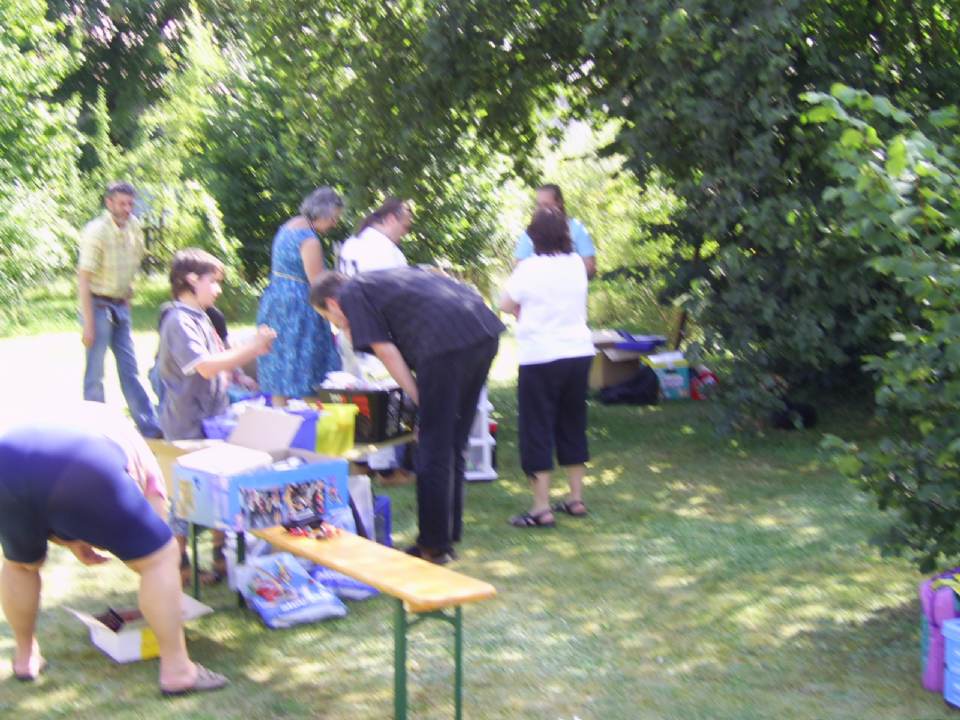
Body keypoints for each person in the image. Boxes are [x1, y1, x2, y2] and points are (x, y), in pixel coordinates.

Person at [0, 402, 228, 695]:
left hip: (6, 458)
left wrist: (74, 540)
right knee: (161, 558)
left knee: (21, 565)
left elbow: (43, 496)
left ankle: (25, 658)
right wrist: (154, 574)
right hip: (83, 459)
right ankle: (178, 669)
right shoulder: (140, 451)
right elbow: (155, 540)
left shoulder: (66, 416)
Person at [310, 267, 505, 564]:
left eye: (328, 318)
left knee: (432, 447)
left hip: (445, 344)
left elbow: (386, 352)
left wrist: (419, 401)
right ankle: (447, 536)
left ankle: (432, 546)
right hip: (482, 331)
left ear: (332, 304)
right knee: (453, 440)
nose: (334, 325)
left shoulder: (351, 294)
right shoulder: (378, 282)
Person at [155, 248, 276, 584]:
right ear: (191, 280)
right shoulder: (179, 321)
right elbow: (206, 367)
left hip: (213, 418)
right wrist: (252, 348)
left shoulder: (201, 316)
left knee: (220, 486)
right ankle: (177, 566)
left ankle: (221, 558)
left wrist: (241, 368)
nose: (218, 289)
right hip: (187, 424)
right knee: (186, 497)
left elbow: (220, 356)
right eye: (213, 281)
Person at [500, 208, 595, 528]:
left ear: (534, 237)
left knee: (537, 427)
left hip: (540, 355)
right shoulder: (576, 265)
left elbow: (505, 304)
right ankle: (576, 498)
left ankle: (541, 507)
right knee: (573, 423)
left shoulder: (528, 268)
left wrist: (523, 309)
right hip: (578, 352)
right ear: (565, 235)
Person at [337, 197, 414, 484]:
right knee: (385, 397)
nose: (404, 233)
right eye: (404, 226)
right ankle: (386, 469)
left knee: (356, 398)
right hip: (376, 332)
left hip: (348, 328)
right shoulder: (385, 250)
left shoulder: (352, 243)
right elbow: (394, 297)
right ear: (391, 218)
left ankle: (361, 462)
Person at [77, 181, 162, 437]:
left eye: (130, 204)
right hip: (97, 305)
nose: (127, 209)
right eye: (121, 204)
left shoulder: (134, 226)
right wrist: (88, 324)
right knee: (96, 372)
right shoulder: (96, 231)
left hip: (120, 305)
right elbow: (83, 279)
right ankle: (96, 430)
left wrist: (127, 295)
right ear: (109, 203)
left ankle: (149, 426)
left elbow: (134, 261)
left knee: (129, 368)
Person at [257, 187, 344, 406]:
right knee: (307, 363)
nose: (335, 224)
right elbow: (318, 283)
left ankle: (279, 413)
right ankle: (310, 413)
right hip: (299, 305)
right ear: (322, 213)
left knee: (280, 361)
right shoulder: (309, 240)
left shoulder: (287, 227)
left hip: (276, 299)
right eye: (333, 218)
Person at [514, 183, 597, 280]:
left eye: (546, 205)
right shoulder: (531, 232)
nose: (541, 209)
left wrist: (560, 277)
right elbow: (518, 268)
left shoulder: (577, 228)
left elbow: (590, 267)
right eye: (538, 205)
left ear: (559, 203)